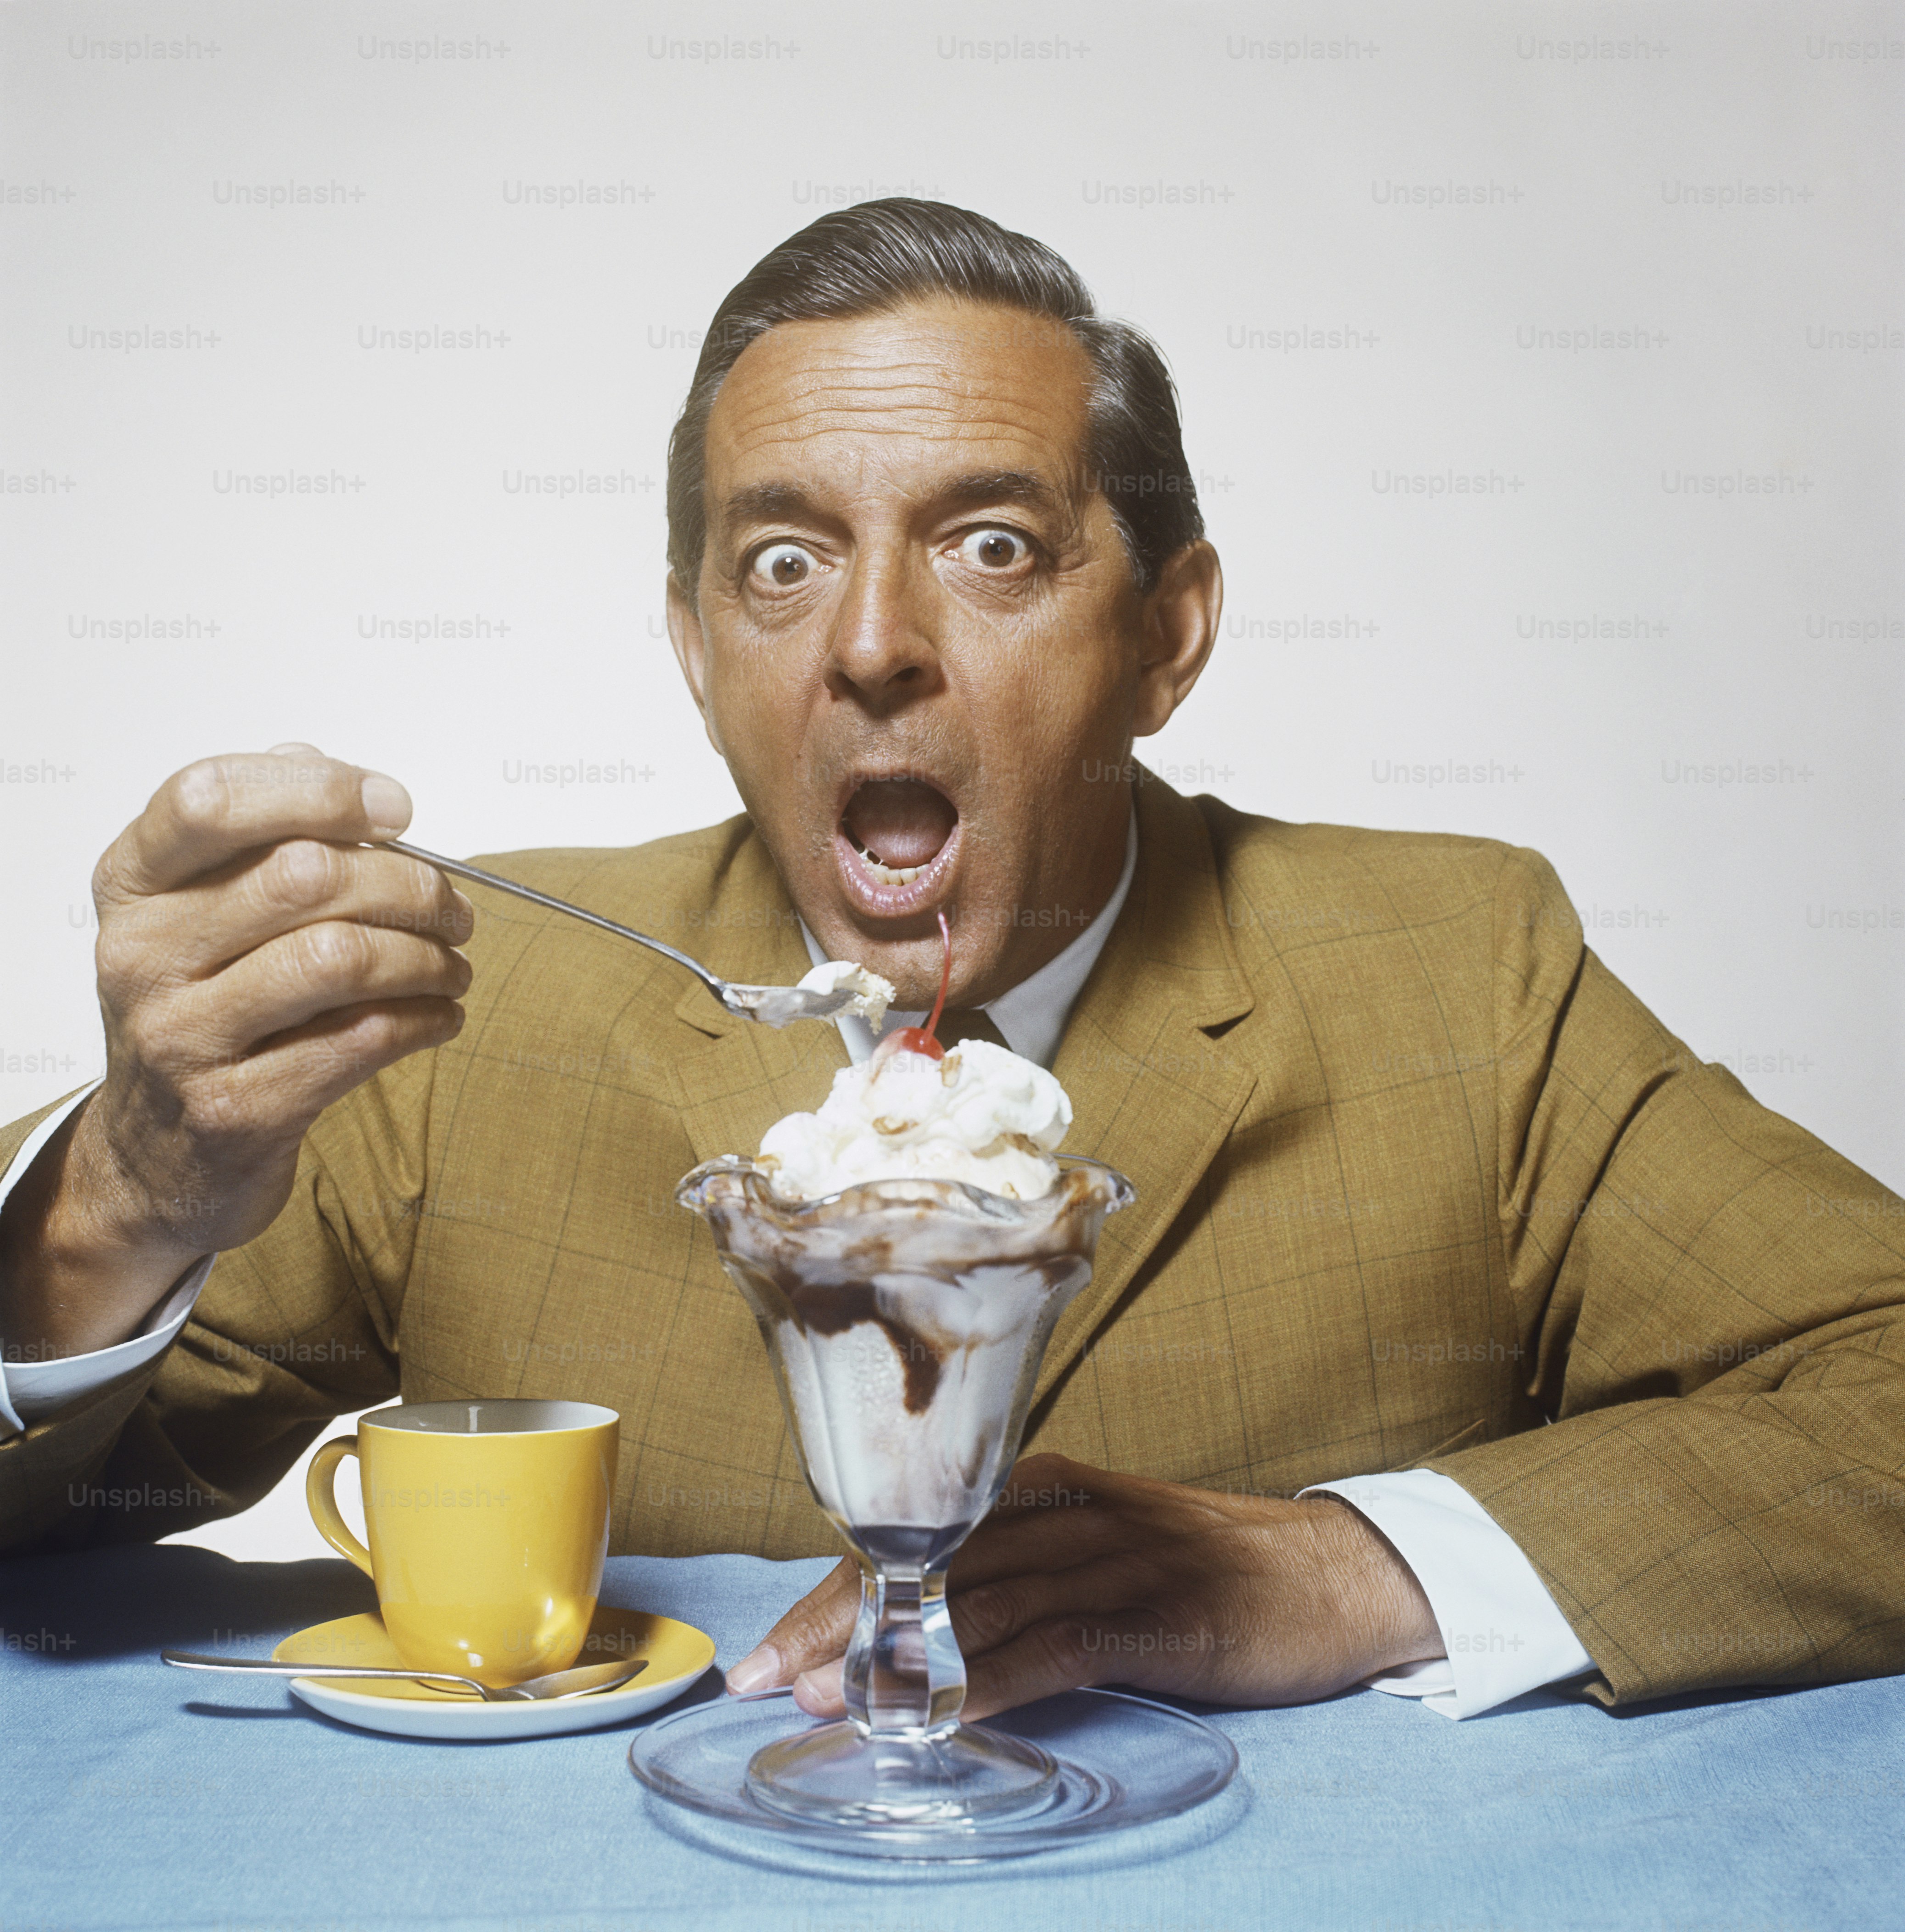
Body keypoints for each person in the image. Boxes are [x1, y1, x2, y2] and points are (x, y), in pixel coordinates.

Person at [2, 201, 1899, 1728]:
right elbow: (54, 1524)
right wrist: (121, 1196)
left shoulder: (1464, 976)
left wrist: (1340, 1568)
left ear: (1170, 631)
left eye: (992, 544)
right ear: (691, 642)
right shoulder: (479, 1007)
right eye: (781, 564)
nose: (874, 644)